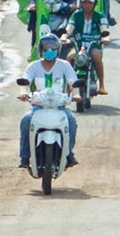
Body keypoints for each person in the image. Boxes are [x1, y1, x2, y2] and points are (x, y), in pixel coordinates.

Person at [18, 34, 79, 169]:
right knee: (26, 120)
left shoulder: (65, 65)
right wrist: (23, 92)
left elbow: (73, 82)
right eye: (46, 48)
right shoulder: (33, 66)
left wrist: (76, 94)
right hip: (38, 107)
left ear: (58, 50)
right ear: (40, 50)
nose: (50, 51)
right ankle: (24, 156)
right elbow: (25, 81)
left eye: (53, 48)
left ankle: (69, 154)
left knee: (71, 121)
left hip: (59, 107)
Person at [65, 0, 108, 96]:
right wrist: (64, 36)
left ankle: (101, 85)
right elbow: (69, 29)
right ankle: (68, 86)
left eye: (90, 3)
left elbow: (104, 30)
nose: (87, 5)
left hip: (93, 46)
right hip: (78, 46)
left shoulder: (100, 15)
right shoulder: (76, 15)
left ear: (94, 4)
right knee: (69, 57)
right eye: (84, 2)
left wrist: (105, 38)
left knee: (96, 56)